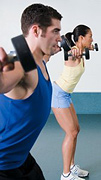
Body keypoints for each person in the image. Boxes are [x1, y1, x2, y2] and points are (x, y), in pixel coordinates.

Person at [0, 3, 62, 180]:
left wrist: (53, 49)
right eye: (55, 31)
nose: (60, 37)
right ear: (36, 30)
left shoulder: (33, 57)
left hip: (20, 157)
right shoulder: (20, 64)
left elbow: (35, 58)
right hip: (3, 164)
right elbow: (6, 80)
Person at [52, 24, 93, 180]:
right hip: (58, 95)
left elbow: (80, 48)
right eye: (90, 36)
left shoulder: (81, 51)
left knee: (76, 129)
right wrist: (71, 51)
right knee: (71, 132)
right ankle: (66, 174)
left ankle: (72, 167)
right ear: (81, 38)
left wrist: (81, 49)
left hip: (66, 95)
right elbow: (66, 49)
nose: (92, 39)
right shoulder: (73, 53)